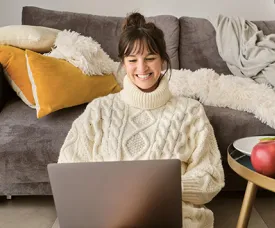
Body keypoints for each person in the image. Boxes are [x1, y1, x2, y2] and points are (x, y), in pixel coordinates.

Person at [58, 12, 225, 228]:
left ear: (163, 60)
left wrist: (164, 189)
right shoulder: (99, 110)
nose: (142, 68)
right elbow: (68, 170)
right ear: (123, 64)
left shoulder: (190, 112)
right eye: (132, 60)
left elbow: (211, 178)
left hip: (171, 217)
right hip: (108, 217)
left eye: (149, 58)